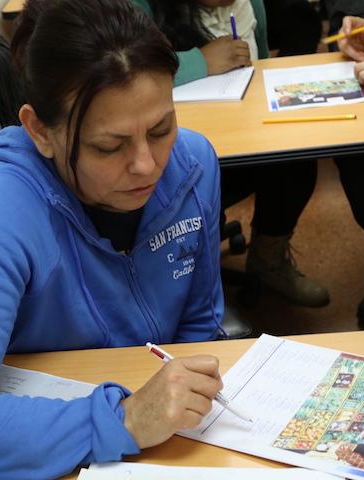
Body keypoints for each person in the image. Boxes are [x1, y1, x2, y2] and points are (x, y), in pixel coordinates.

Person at [0, 0, 228, 477]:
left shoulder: (193, 164)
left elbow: (201, 328)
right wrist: (121, 419)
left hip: (169, 444)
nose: (147, 165)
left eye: (161, 129)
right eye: (109, 145)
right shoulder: (2, 204)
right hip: (57, 444)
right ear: (39, 130)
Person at [136, 0, 330, 308]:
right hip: (167, 152)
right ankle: (187, 285)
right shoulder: (139, 8)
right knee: (191, 185)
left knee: (296, 159)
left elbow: (259, 69)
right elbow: (125, 70)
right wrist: (200, 61)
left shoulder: (248, 5)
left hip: (235, 131)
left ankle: (268, 261)